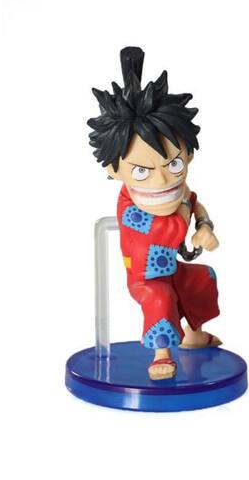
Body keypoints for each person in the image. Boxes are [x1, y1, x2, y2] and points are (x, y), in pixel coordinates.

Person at [87, 47, 221, 380]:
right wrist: (188, 211)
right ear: (113, 170)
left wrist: (204, 225)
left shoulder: (179, 190)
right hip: (144, 278)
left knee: (201, 280)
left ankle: (193, 335)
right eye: (142, 171)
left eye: (173, 164)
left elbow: (193, 202)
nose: (162, 179)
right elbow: (171, 226)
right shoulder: (131, 210)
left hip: (171, 269)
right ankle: (161, 354)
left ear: (189, 154)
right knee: (160, 300)